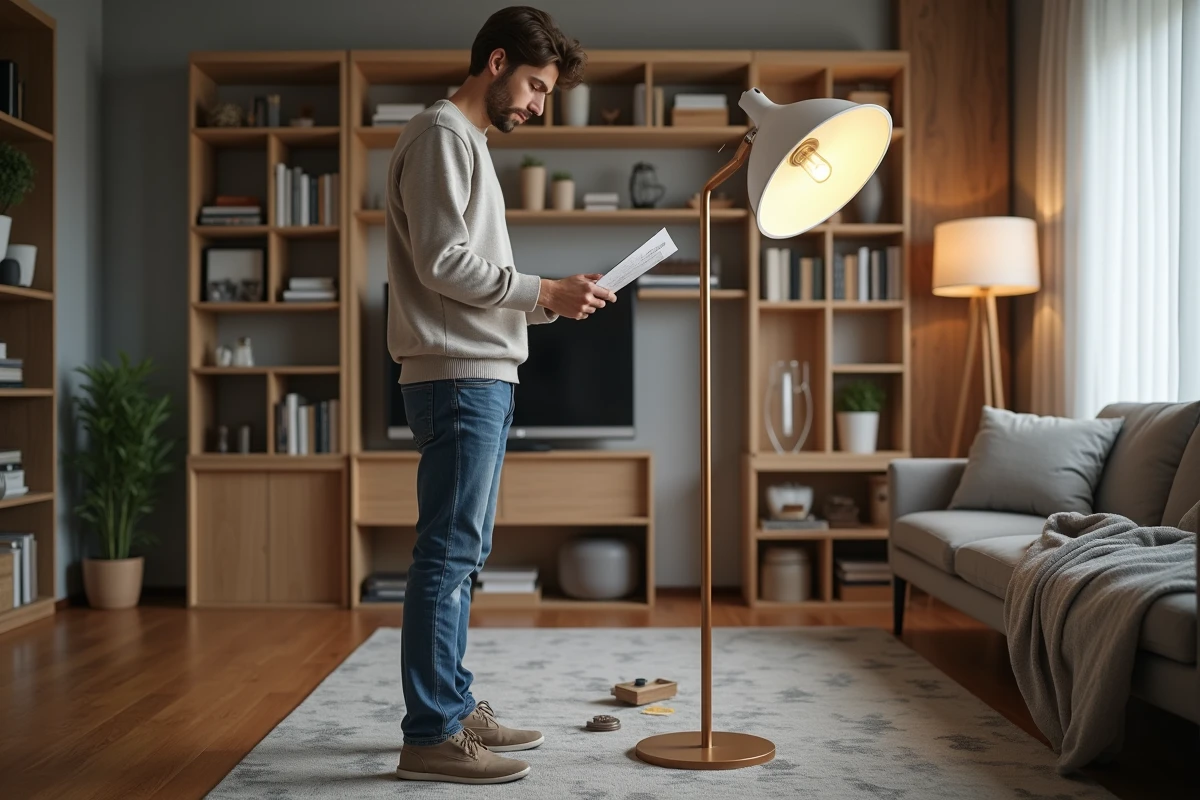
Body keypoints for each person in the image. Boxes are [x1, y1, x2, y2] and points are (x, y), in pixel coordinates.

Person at [386, 5, 614, 786]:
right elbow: (444, 262)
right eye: (536, 87)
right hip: (457, 376)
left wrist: (550, 299)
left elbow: (465, 271)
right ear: (495, 63)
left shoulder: (467, 144)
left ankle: (452, 706)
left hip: (477, 372)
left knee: (463, 554)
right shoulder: (443, 135)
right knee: (447, 557)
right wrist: (543, 288)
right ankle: (430, 734)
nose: (538, 105)